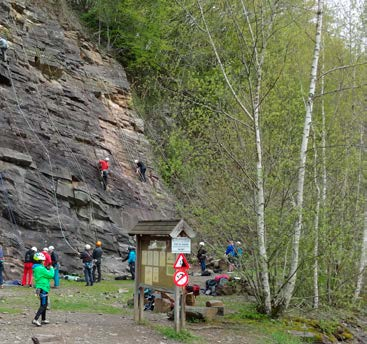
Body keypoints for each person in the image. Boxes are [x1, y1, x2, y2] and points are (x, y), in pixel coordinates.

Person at [32, 252, 55, 327]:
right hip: (43, 288)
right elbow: (50, 275)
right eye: (43, 260)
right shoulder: (41, 268)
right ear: (40, 261)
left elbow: (44, 273)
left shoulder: (36, 268)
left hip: (40, 287)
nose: (44, 261)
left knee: (43, 304)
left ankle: (43, 319)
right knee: (44, 305)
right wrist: (51, 268)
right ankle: (35, 319)